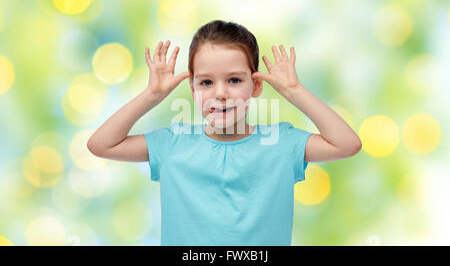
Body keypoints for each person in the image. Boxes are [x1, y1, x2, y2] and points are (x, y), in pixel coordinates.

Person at [87, 19, 362, 246]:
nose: (220, 93)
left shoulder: (281, 143)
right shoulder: (173, 143)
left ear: (255, 86)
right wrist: (151, 95)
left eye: (234, 80)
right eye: (206, 82)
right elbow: (101, 145)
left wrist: (294, 91)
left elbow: (347, 144)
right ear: (192, 89)